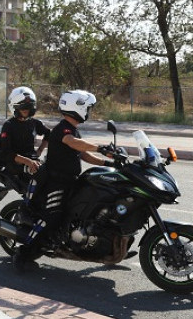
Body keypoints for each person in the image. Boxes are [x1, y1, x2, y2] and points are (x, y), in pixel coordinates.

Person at [13, 89, 114, 273]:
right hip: (55, 182)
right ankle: (24, 253)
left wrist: (108, 163)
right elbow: (71, 142)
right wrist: (101, 148)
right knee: (52, 218)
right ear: (78, 107)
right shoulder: (63, 129)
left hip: (71, 181)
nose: (89, 112)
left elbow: (83, 154)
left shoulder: (73, 130)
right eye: (88, 108)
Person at [0, 87, 50, 180]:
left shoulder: (34, 123)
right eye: (22, 107)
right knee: (40, 175)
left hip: (32, 159)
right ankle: (31, 195)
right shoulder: (9, 125)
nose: (26, 109)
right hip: (15, 164)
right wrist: (28, 162)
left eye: (28, 106)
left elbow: (48, 133)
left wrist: (39, 151)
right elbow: (7, 153)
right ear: (15, 107)